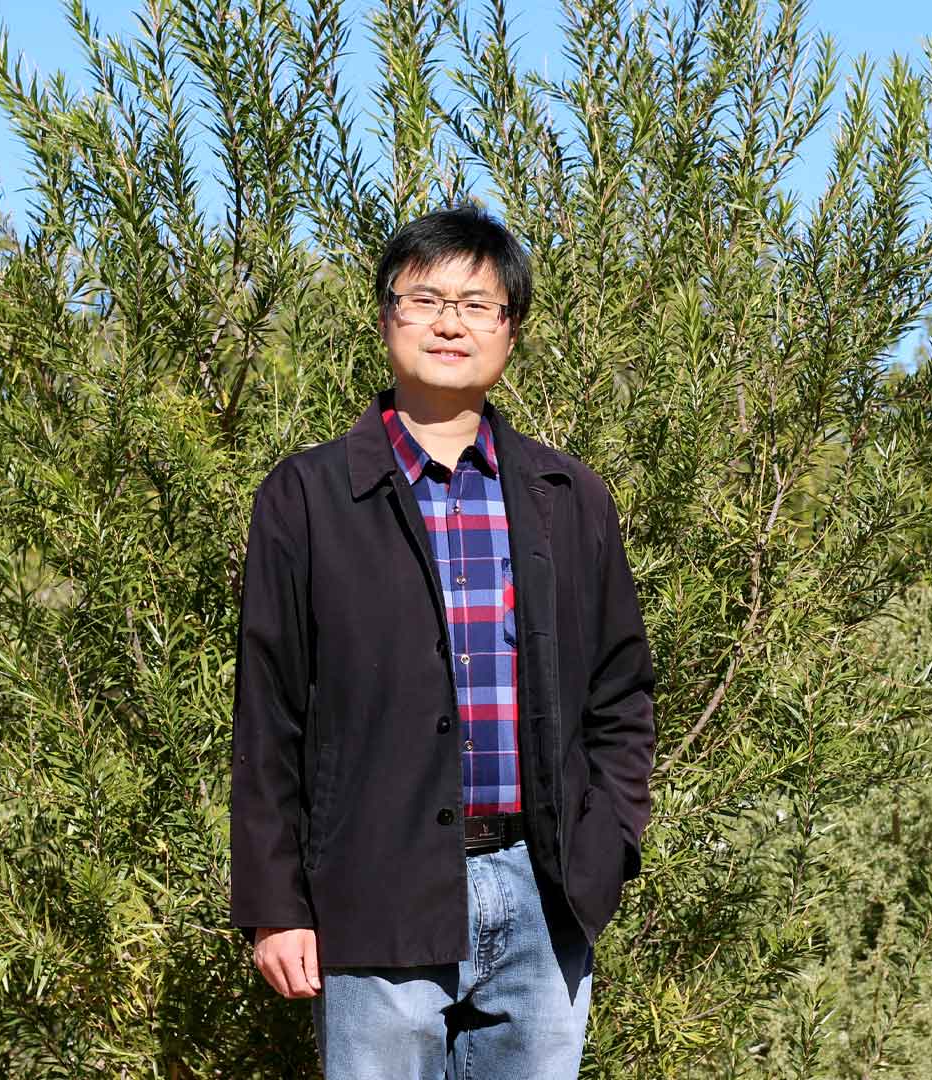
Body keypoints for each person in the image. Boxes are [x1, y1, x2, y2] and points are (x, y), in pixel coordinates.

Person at [228, 205, 657, 1079]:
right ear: (386, 317)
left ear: (511, 329)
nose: (449, 322)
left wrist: (604, 846)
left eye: (477, 303)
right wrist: (277, 905)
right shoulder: (307, 497)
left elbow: (622, 694)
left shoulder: (567, 496)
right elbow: (267, 715)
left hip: (544, 893)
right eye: (424, 298)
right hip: (373, 887)